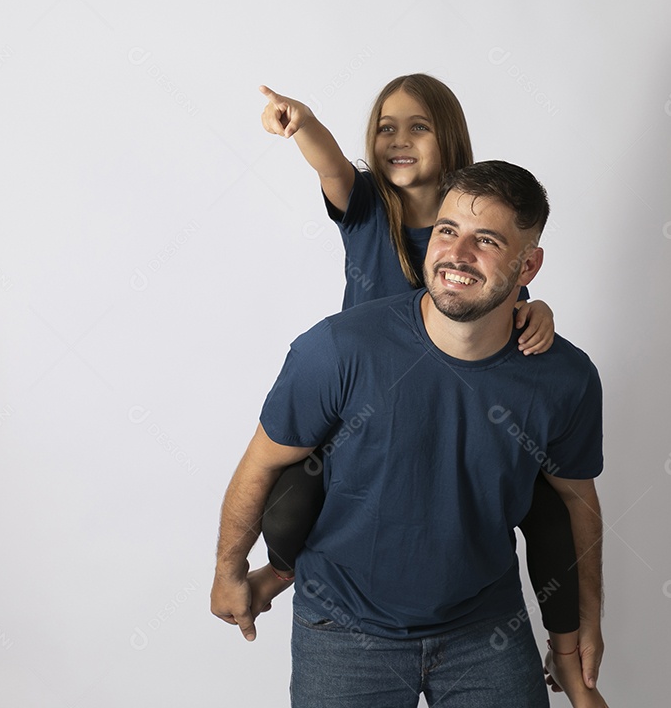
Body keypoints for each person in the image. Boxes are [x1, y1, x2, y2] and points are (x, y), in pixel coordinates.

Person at [247, 72, 598, 692]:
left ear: (451, 139)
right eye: (385, 128)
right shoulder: (365, 206)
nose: (398, 140)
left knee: (545, 508)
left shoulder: (474, 220)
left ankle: (568, 659)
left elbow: (503, 289)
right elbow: (329, 164)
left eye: (418, 127)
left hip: (454, 402)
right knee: (300, 495)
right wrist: (302, 123)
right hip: (370, 407)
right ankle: (279, 571)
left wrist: (537, 309)